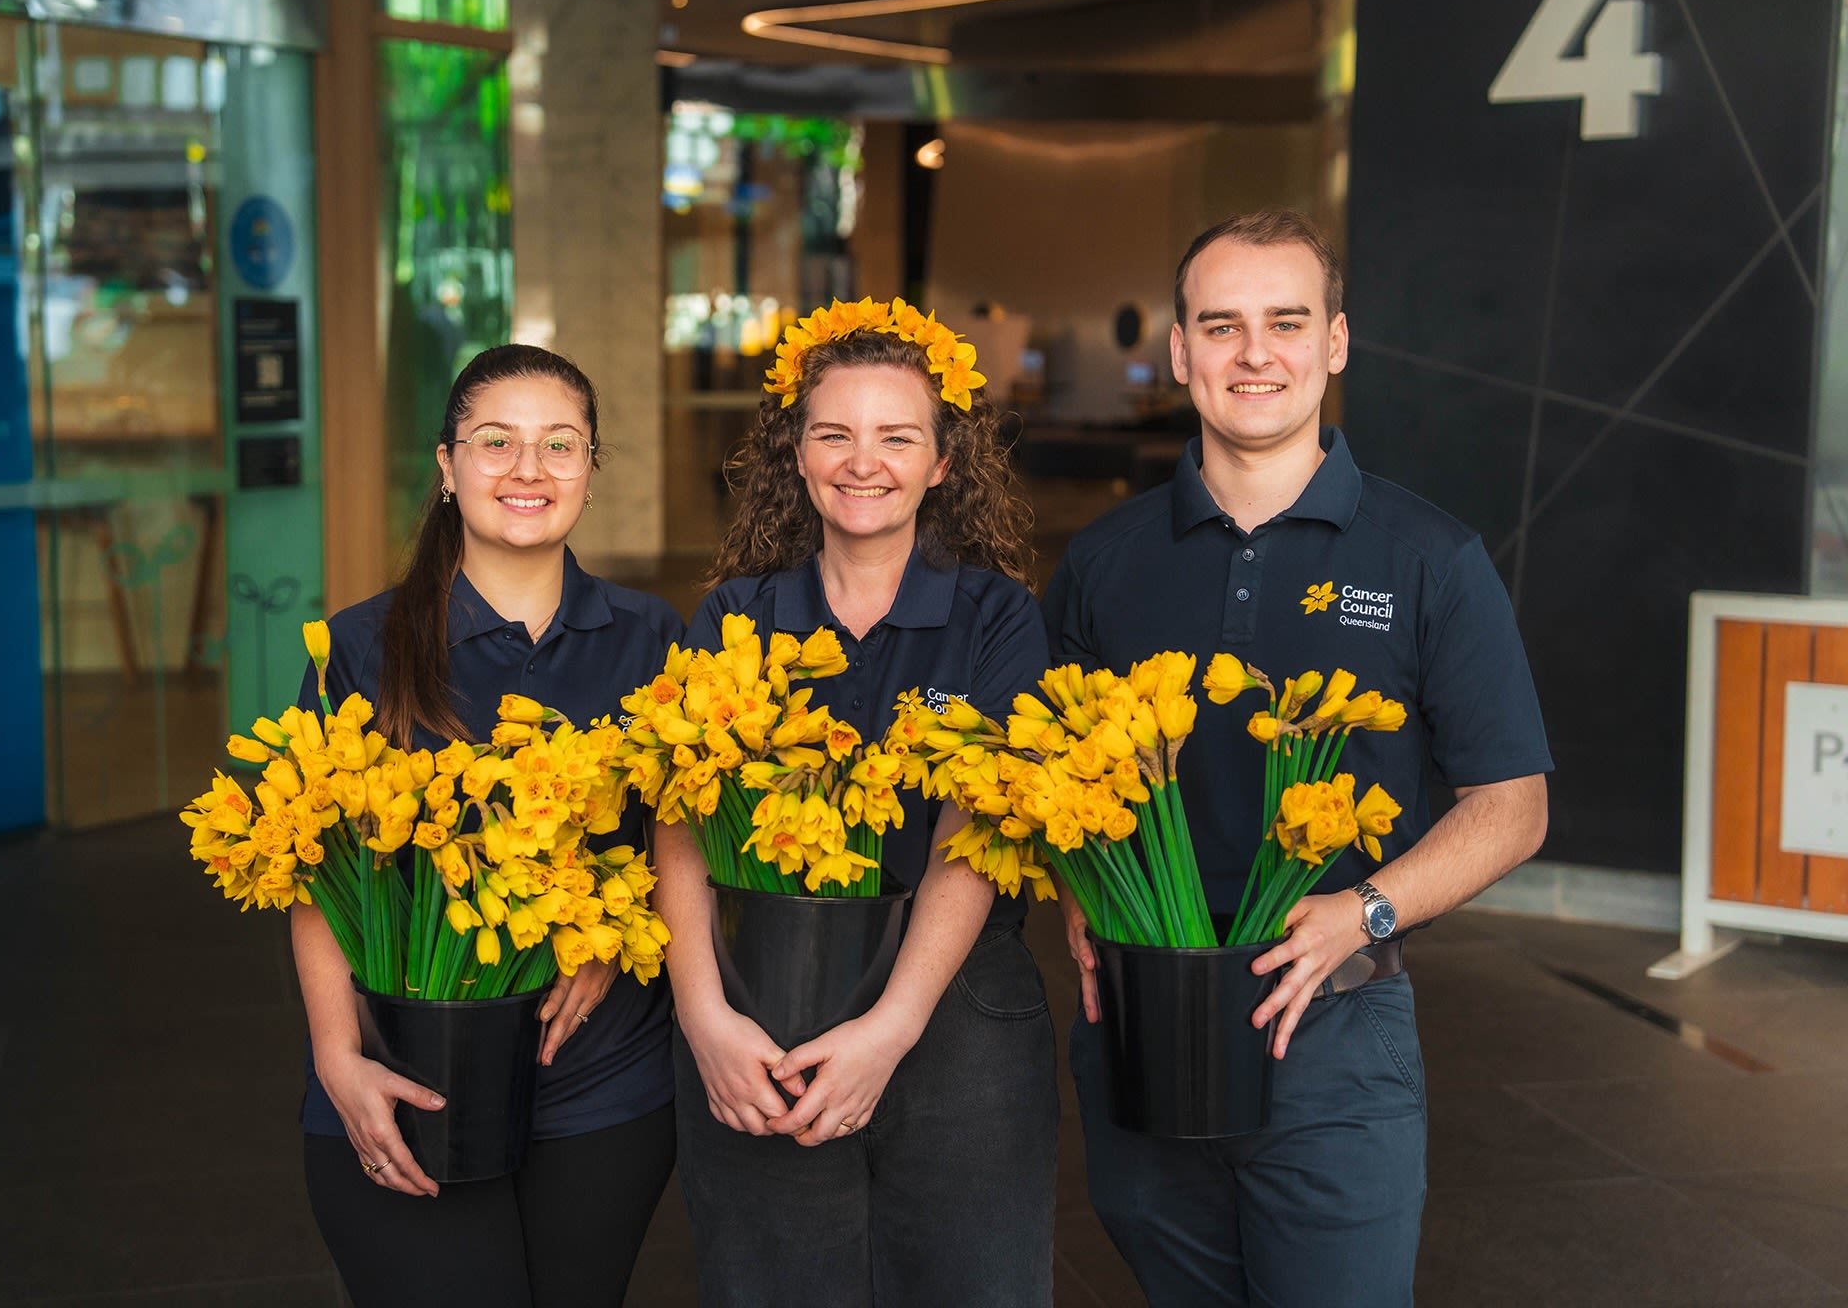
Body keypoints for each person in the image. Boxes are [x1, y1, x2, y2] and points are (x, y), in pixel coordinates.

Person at [1043, 209, 1552, 1306]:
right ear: (1179, 351)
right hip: (1141, 1019)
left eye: (1284, 321)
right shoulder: (1101, 561)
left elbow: (1510, 807)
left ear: (1333, 341)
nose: (1252, 353)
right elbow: (1054, 782)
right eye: (1220, 326)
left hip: (1336, 1027)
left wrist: (1359, 911)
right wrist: (1078, 895)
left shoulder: (1430, 558)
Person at [655, 301, 1057, 1307]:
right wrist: (703, 1016)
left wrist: (893, 1024)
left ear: (942, 464)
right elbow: (680, 814)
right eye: (833, 432)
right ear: (795, 453)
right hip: (761, 1011)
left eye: (896, 436)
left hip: (951, 1006)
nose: (861, 460)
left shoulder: (994, 614)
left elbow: (979, 828)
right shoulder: (738, 613)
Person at [291, 345, 683, 1308]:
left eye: (561, 446)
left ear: (592, 472)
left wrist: (614, 943)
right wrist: (339, 1059)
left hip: (605, 1081)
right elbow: (312, 869)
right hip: (408, 1073)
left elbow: (679, 849)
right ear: (445, 465)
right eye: (495, 442)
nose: (529, 471)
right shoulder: (360, 645)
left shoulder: (656, 640)